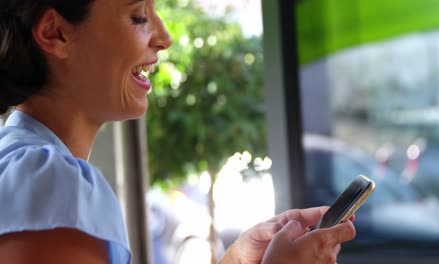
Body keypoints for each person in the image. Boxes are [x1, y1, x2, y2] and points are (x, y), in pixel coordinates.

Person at [0, 0, 356, 263]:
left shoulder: (28, 168)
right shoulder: (51, 182)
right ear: (55, 33)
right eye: (138, 16)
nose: (165, 37)